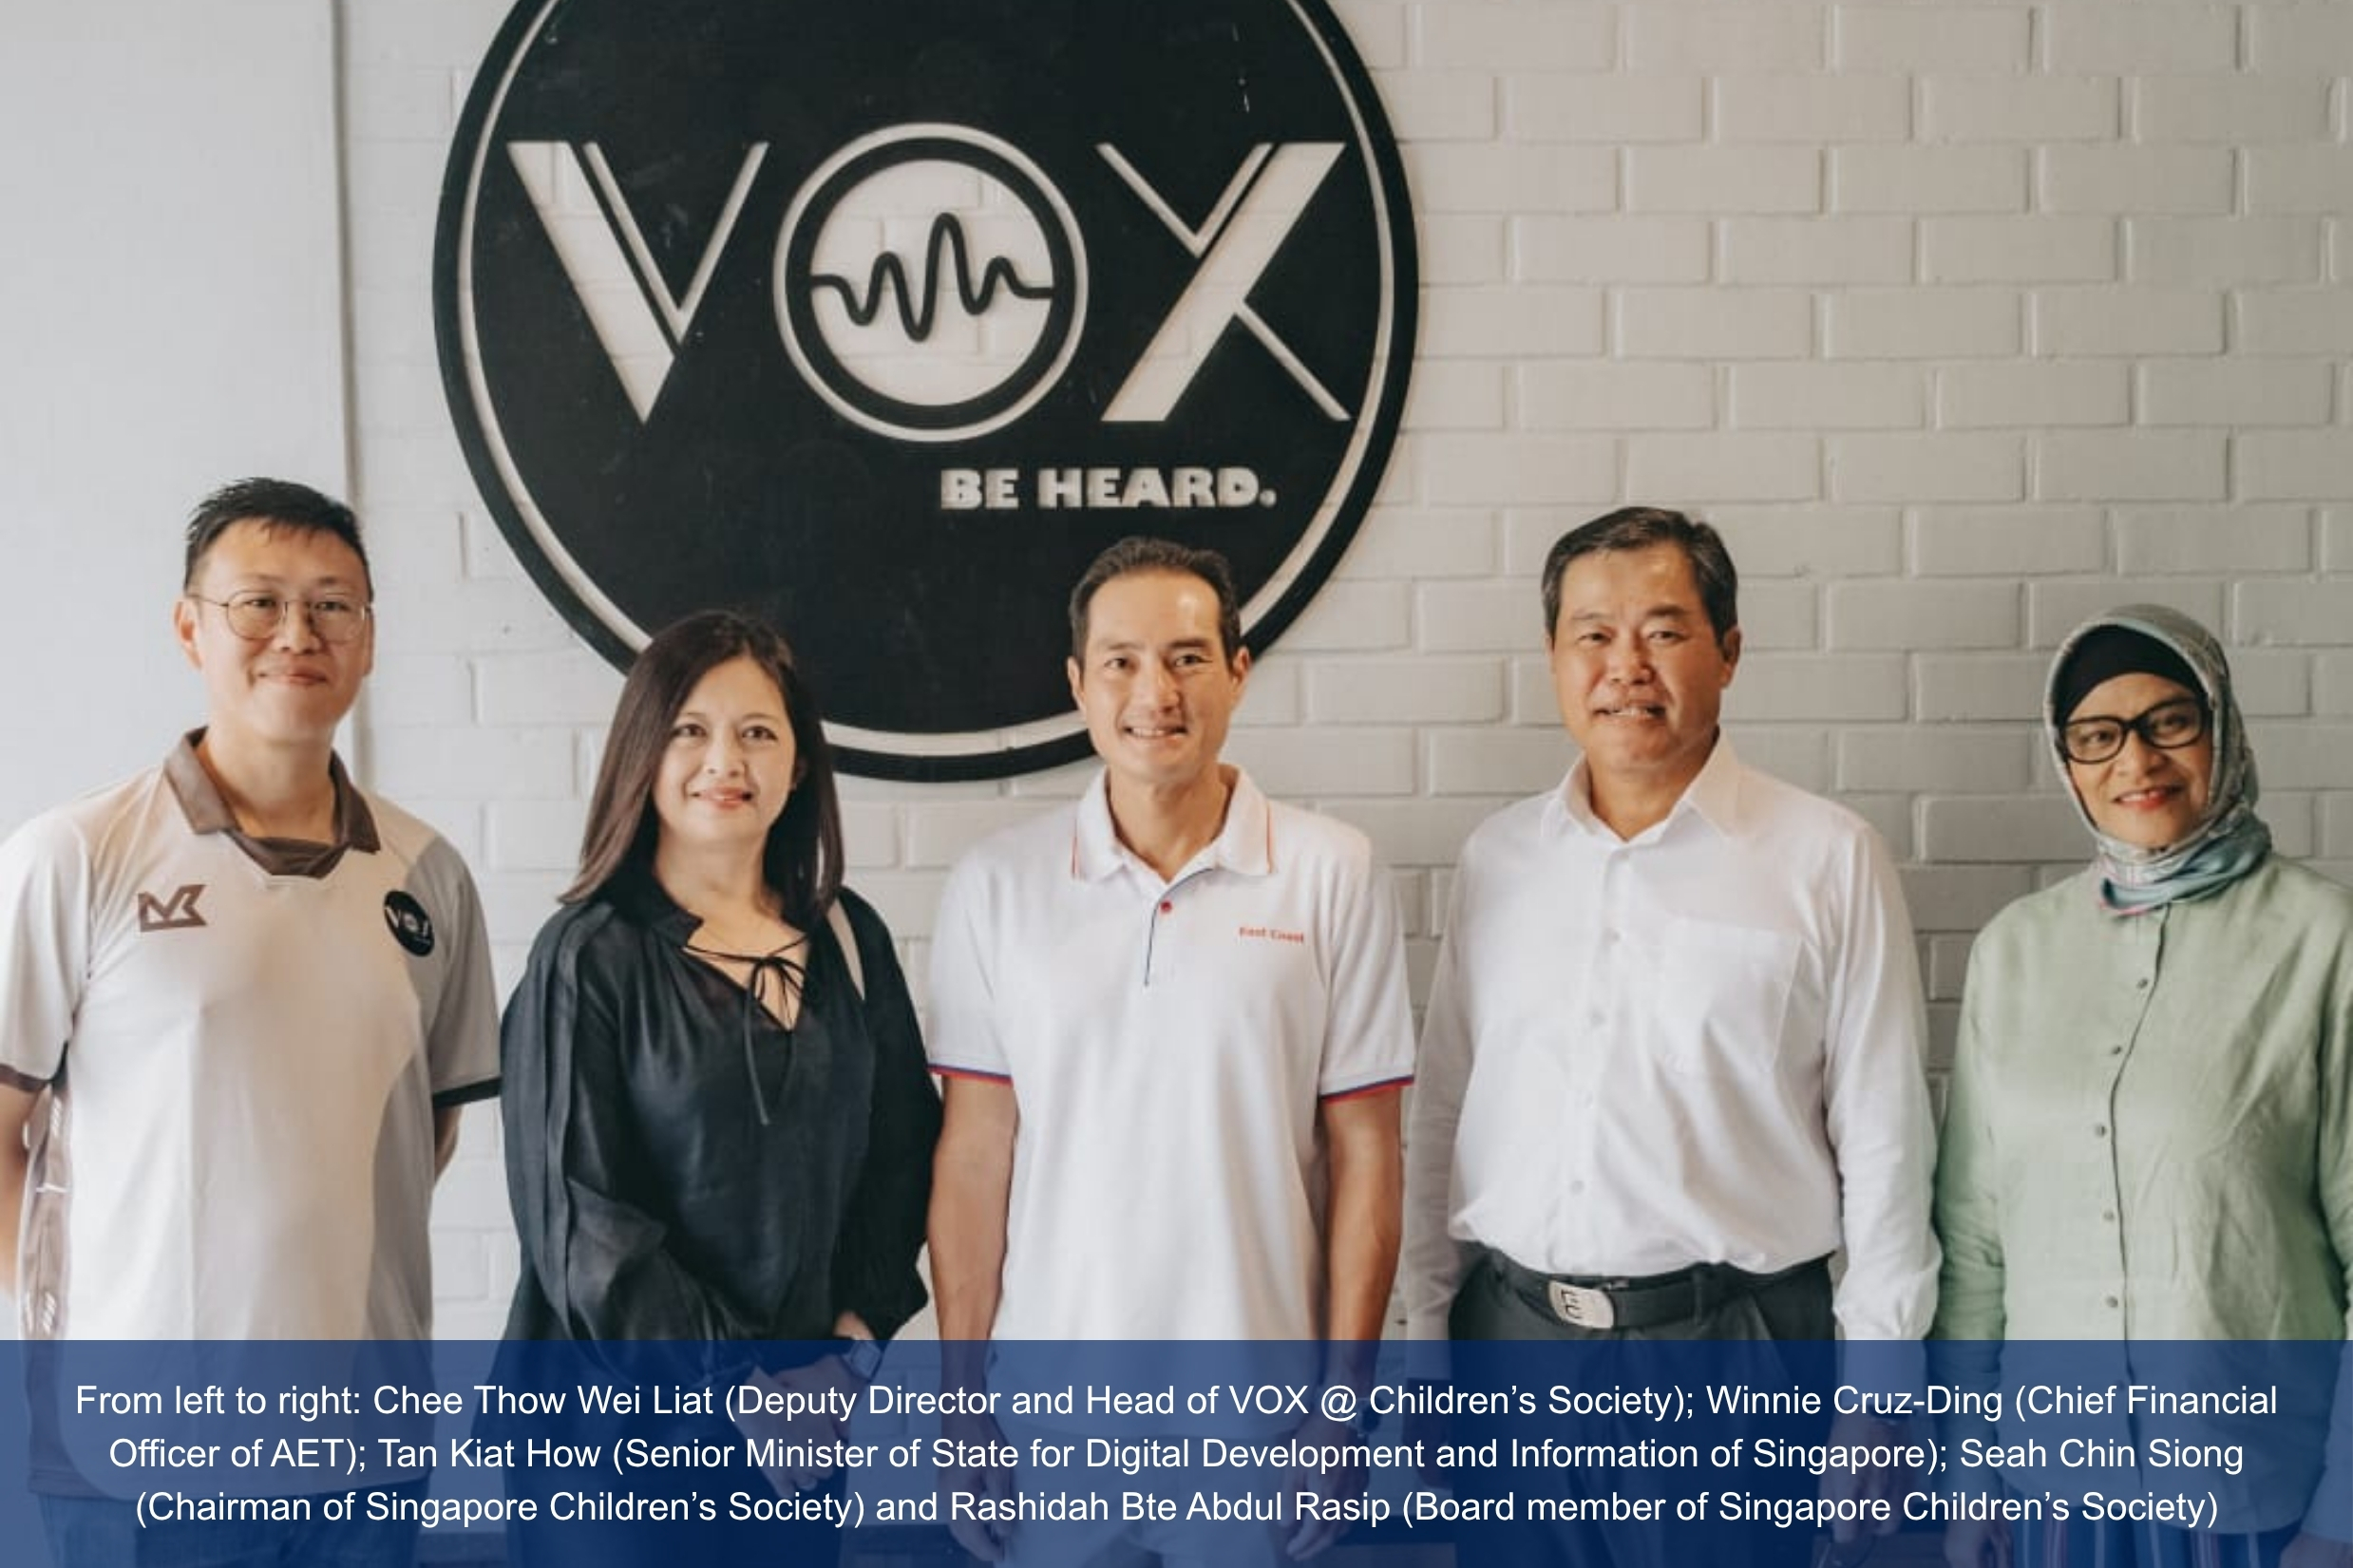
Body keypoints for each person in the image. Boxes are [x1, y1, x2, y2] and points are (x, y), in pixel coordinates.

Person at [1402, 505, 1939, 1566]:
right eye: (1590, 635)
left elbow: (1884, 1136)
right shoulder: (1498, 858)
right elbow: (1445, 1108)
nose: (1624, 666)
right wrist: (1415, 1337)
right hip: (1511, 1347)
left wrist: (1879, 1395)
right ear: (1553, 660)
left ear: (1728, 651)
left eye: (1662, 630)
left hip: (1735, 1350)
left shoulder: (1824, 857)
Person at [0, 477, 500, 1562]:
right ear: (190, 626)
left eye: (332, 605)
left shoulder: (430, 875)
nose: (296, 634)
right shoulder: (75, 855)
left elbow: (426, 1132)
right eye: (258, 603)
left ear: (368, 640)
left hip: (365, 1443)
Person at [925, 536, 1414, 1564]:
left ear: (1238, 672)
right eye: (1121, 661)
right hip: (1049, 1419)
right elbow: (974, 1157)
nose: (1156, 690)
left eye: (1188, 657)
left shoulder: (1333, 871)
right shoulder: (997, 885)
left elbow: (1367, 1155)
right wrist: (960, 1406)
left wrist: (1342, 1410)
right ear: (1077, 684)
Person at [496, 608, 939, 1567]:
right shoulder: (587, 957)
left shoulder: (848, 938)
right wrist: (749, 1387)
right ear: (641, 755)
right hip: (614, 1468)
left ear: (800, 765)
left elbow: (905, 1155)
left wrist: (848, 1346)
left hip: (800, 1450)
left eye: (757, 733)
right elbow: (584, 1230)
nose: (722, 760)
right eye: (689, 729)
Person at [1933, 606, 2353, 1568]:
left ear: (2221, 727)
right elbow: (1974, 1244)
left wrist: (2340, 1517)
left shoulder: (2323, 942)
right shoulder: (2014, 952)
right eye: (2096, 736)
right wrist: (1968, 1473)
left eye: (2169, 720)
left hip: (2255, 1495)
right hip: (2046, 1492)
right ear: (2066, 760)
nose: (2136, 762)